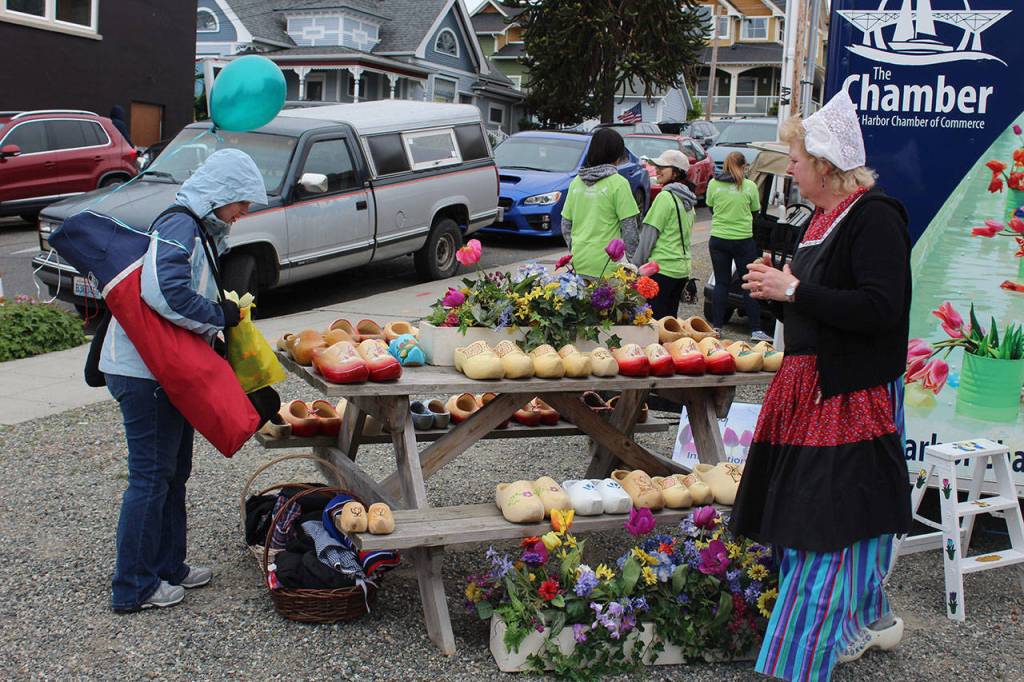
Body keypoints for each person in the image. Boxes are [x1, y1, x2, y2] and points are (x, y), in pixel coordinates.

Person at [730, 90, 912, 680]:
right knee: (804, 524)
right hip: (807, 392)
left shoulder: (875, 216)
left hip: (846, 399)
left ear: (828, 168)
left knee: (823, 530)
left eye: (798, 160)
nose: (791, 169)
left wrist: (797, 292)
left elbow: (881, 308)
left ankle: (797, 663)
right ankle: (867, 621)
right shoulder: (822, 219)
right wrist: (779, 296)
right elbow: (821, 316)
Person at [101, 149, 269, 613]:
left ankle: (168, 566)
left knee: (174, 473)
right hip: (143, 371)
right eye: (242, 203)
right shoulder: (181, 225)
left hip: (162, 369)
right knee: (151, 478)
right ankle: (133, 586)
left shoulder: (197, 227)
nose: (244, 213)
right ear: (221, 193)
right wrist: (218, 315)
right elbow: (164, 292)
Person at [705, 151, 771, 341]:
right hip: (743, 241)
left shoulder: (713, 184)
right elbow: (755, 212)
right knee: (748, 284)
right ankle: (756, 330)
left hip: (718, 239)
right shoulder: (749, 186)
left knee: (721, 283)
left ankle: (716, 328)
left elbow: (710, 208)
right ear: (743, 167)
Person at [560, 127, 640, 278]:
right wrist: (634, 265)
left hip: (579, 260)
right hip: (607, 265)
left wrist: (575, 249)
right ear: (617, 154)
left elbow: (565, 224)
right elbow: (630, 229)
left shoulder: (576, 182)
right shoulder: (618, 183)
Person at [631, 149, 696, 319]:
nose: (657, 170)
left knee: (652, 325)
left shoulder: (665, 197)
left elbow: (648, 237)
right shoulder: (688, 200)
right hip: (681, 271)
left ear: (676, 172)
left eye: (663, 167)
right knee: (669, 323)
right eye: (656, 166)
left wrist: (635, 268)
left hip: (661, 269)